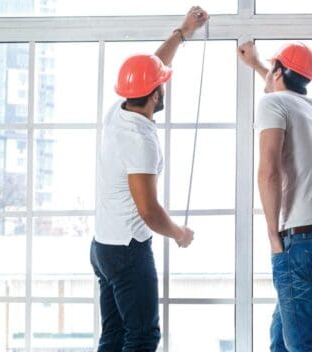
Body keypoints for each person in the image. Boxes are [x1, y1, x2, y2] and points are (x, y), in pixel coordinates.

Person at [90, 6, 208, 351]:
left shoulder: (118, 111)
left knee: (114, 335)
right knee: (142, 337)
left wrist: (183, 32)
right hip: (127, 251)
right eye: (161, 86)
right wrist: (179, 234)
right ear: (155, 94)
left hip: (102, 247)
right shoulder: (140, 141)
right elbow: (149, 211)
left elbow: (151, 67)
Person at [238, 40, 312, 352]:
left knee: (303, 345)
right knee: (281, 341)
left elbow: (268, 172)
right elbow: (284, 97)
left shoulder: (272, 104)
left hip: (299, 243)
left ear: (279, 70)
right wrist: (260, 66)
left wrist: (274, 238)